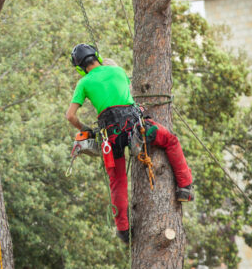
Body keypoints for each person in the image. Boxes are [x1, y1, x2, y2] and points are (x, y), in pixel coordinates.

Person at [65, 44, 193, 244]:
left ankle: (124, 231)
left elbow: (70, 116)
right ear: (96, 56)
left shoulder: (83, 83)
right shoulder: (117, 70)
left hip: (110, 136)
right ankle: (185, 187)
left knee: (117, 180)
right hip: (135, 125)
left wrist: (86, 129)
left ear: (79, 67)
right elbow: (126, 93)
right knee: (170, 140)